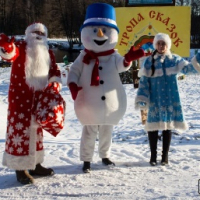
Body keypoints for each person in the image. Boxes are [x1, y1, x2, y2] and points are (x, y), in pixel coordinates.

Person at [67, 3, 144, 173]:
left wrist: (129, 58)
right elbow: (73, 71)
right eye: (95, 30)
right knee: (89, 131)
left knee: (106, 131)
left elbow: (122, 65)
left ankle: (105, 155)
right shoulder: (83, 57)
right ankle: (86, 159)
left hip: (110, 103)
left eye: (105, 30)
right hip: (89, 102)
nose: (100, 34)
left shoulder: (113, 56)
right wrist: (72, 84)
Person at [0, 22, 63, 184]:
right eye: (34, 32)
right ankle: (20, 169)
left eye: (41, 33)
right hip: (20, 100)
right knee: (20, 134)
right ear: (28, 34)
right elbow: (10, 55)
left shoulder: (48, 51)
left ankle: (35, 164)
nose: (37, 35)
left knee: (37, 134)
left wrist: (55, 82)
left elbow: (54, 70)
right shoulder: (21, 46)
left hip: (40, 100)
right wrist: (6, 47)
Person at [135, 33, 200, 166]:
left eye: (163, 43)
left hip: (170, 99)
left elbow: (188, 69)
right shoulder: (149, 61)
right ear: (155, 45)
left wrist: (197, 60)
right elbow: (144, 82)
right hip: (154, 99)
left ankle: (165, 157)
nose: (160, 46)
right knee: (152, 128)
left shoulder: (174, 59)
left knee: (167, 128)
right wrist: (142, 98)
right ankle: (153, 156)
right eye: (158, 43)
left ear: (167, 45)